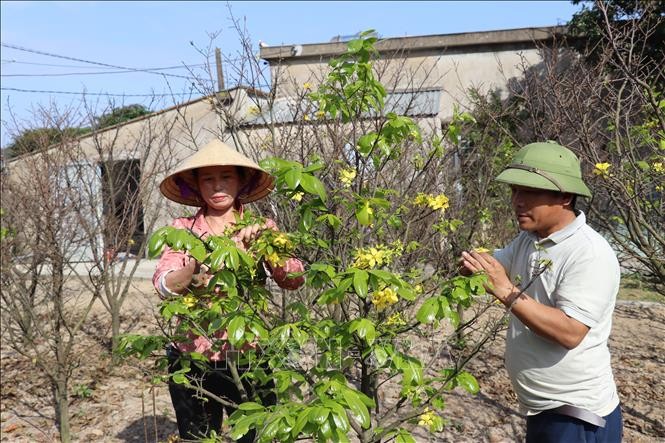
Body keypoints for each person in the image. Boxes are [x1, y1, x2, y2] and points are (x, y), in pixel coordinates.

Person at [459, 141, 622, 442]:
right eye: (514, 191)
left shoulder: (589, 253)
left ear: (565, 196)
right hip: (544, 412)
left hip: (576, 417)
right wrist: (472, 264)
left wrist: (505, 289)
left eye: (530, 192)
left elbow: (570, 332)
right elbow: (497, 264)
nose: (517, 201)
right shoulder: (529, 239)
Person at [153, 139, 305, 441]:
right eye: (208, 179)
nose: (217, 186)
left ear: (241, 181)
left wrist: (266, 246)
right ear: (197, 185)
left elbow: (294, 279)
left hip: (248, 355)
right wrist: (193, 268)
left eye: (226, 177)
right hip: (192, 357)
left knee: (256, 436)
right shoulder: (182, 229)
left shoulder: (261, 225)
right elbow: (163, 285)